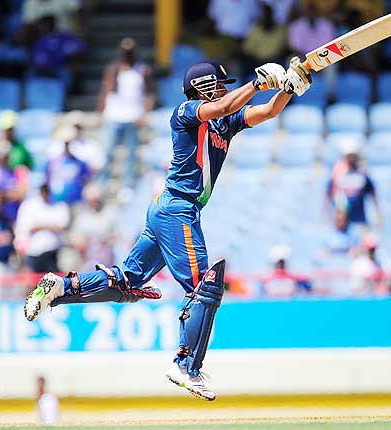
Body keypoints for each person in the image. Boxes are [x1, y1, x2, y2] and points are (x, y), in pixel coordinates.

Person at [24, 58, 312, 400]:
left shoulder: (225, 123)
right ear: (203, 87)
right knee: (204, 286)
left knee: (128, 281)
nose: (223, 87)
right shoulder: (186, 112)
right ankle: (185, 364)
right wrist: (257, 83)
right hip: (178, 208)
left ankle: (60, 287)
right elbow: (225, 103)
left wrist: (290, 87)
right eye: (219, 83)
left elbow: (266, 113)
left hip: (168, 209)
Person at [97, 37, 155, 188]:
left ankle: (128, 184)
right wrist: (100, 113)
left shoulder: (143, 70)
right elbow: (105, 91)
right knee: (107, 152)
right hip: (113, 115)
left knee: (131, 154)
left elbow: (150, 93)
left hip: (133, 116)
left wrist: (144, 113)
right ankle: (102, 184)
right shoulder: (113, 69)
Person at [15, 183, 70, 274]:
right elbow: (26, 229)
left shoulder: (60, 205)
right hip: (33, 253)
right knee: (31, 284)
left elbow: (62, 226)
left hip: (53, 253)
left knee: (55, 284)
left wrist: (40, 227)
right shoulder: (29, 206)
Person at [326, 139, 380, 230]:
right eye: (348, 156)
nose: (351, 158)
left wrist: (378, 212)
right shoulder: (337, 173)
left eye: (353, 155)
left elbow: (372, 192)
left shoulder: (362, 173)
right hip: (343, 223)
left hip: (360, 220)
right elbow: (329, 194)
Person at [45, 130, 91, 206]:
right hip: (56, 202)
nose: (67, 146)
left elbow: (86, 178)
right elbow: (46, 178)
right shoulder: (52, 163)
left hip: (75, 201)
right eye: (65, 143)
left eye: (69, 143)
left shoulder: (79, 162)